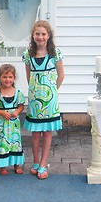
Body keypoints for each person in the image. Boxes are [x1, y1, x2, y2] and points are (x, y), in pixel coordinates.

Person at [22, 20, 65, 180]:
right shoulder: (28, 55)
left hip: (50, 102)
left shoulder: (55, 54)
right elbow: (29, 76)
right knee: (35, 133)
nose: (40, 37)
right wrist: (35, 92)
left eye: (43, 34)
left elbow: (61, 76)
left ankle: (43, 163)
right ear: (33, 36)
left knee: (47, 132)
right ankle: (35, 162)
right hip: (34, 101)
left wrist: (52, 91)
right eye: (37, 34)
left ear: (49, 36)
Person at [0, 63, 25, 175]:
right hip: (1, 125)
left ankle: (16, 165)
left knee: (15, 144)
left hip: (13, 125)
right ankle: (2, 166)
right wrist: (1, 112)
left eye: (10, 77)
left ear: (14, 78)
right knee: (2, 143)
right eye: (4, 77)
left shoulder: (18, 93)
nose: (7, 79)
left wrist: (17, 111)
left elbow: (21, 106)